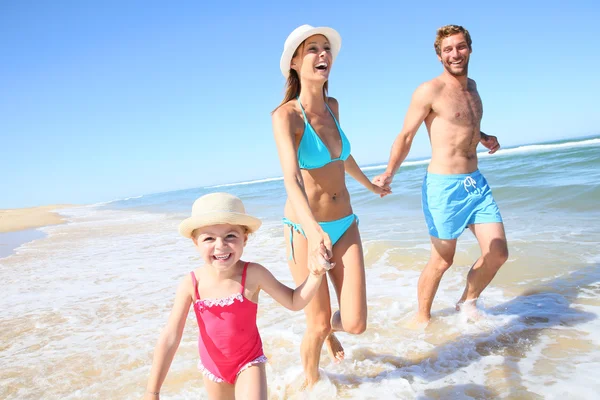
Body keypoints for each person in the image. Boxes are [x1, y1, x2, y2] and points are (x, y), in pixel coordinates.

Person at [271, 24, 390, 387]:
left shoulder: (333, 106)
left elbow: (340, 157)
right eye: (312, 49)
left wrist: (369, 184)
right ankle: (312, 386)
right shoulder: (286, 116)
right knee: (317, 323)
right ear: (294, 62)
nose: (323, 54)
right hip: (306, 230)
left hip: (345, 224)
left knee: (354, 323)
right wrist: (312, 230)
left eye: (326, 48)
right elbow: (291, 179)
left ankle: (329, 330)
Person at [373, 25, 509, 325]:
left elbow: (462, 125)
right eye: (448, 50)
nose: (455, 54)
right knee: (442, 260)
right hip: (445, 187)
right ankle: (422, 320)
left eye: (460, 47)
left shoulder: (473, 89)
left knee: (498, 252)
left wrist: (483, 136)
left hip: (477, 184)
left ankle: (467, 301)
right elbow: (406, 135)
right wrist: (388, 173)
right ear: (439, 56)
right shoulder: (429, 90)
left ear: (470, 48)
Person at [144, 192, 332, 400]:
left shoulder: (253, 274)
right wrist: (152, 392)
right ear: (195, 242)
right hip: (213, 369)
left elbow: (295, 301)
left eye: (230, 236)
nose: (220, 245)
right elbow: (171, 336)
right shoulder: (191, 283)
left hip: (248, 362)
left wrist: (315, 275)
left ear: (245, 238)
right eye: (209, 238)